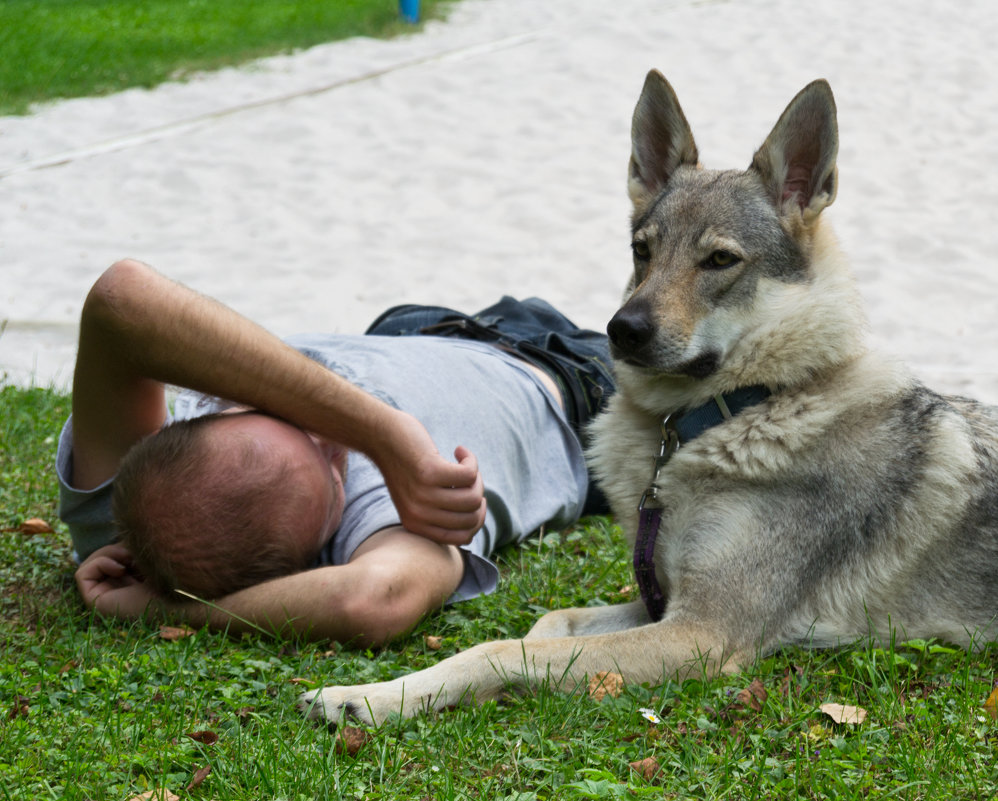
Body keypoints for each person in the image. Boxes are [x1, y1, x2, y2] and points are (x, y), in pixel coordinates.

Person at [61, 260, 614, 646]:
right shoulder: (371, 528)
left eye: (291, 422)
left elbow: (121, 298)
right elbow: (373, 602)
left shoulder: (122, 507)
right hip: (575, 385)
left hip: (416, 329)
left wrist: (384, 435)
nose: (334, 439)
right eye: (333, 474)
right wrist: (163, 610)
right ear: (308, 557)